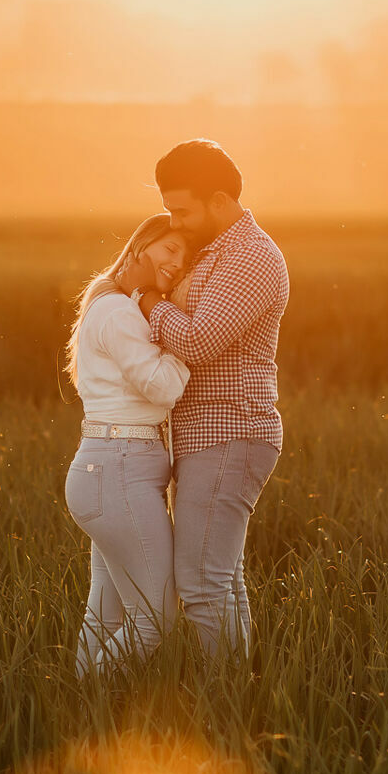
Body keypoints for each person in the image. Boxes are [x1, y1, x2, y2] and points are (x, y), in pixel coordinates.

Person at [135, 140, 289, 662]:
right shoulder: (217, 250)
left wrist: (148, 300)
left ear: (220, 200)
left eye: (181, 210)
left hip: (231, 432)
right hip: (208, 435)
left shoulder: (251, 257)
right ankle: (237, 700)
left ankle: (219, 710)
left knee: (201, 584)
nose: (173, 222)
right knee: (219, 581)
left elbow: (200, 341)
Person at [62, 213, 197, 676]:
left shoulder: (108, 303)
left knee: (107, 615)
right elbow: (162, 387)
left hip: (105, 471)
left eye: (184, 257)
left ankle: (81, 710)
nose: (177, 264)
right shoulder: (120, 311)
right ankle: (96, 698)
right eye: (169, 250)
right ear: (141, 245)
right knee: (156, 619)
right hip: (119, 472)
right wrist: (183, 342)